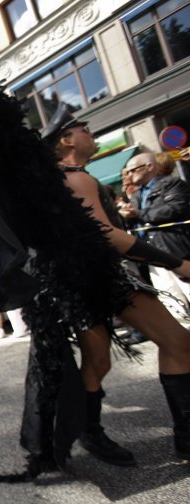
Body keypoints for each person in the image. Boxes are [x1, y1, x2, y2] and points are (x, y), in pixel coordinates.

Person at [42, 103, 190, 464]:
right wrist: (176, 262)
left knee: (98, 361)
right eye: (85, 130)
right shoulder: (75, 177)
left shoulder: (64, 177)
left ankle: (89, 431)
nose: (91, 134)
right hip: (100, 278)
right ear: (67, 140)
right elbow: (106, 235)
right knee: (178, 341)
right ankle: (185, 437)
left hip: (82, 280)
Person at [119, 151, 190, 320]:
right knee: (174, 305)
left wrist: (139, 213)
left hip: (177, 251)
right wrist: (126, 216)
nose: (129, 175)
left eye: (132, 170)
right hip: (153, 257)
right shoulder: (136, 195)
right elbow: (136, 222)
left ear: (149, 167)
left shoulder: (172, 184)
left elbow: (173, 210)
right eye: (127, 172)